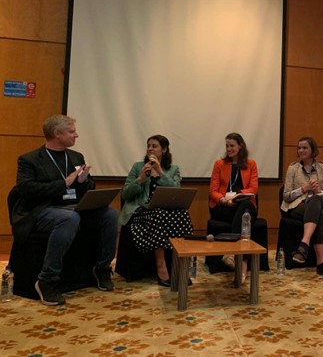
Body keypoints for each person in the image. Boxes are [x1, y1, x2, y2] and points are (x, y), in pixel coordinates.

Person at [12, 115, 118, 306]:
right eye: (71, 131)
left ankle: (102, 268)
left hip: (74, 207)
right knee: (69, 218)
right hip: (43, 209)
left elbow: (89, 187)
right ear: (57, 134)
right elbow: (26, 189)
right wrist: (65, 183)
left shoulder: (76, 157)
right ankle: (47, 280)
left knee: (110, 214)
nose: (76, 135)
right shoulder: (30, 160)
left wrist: (84, 181)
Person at [121, 134, 193, 286]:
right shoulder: (138, 167)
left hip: (165, 210)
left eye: (154, 146)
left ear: (164, 150)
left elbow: (176, 191)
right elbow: (125, 194)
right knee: (158, 214)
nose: (150, 149)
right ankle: (161, 264)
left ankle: (180, 265)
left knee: (183, 214)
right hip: (142, 210)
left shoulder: (173, 169)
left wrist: (161, 172)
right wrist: (140, 179)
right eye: (148, 146)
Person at [280, 137, 323, 278]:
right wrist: (303, 189)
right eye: (299, 148)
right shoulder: (293, 168)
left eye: (305, 148)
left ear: (312, 150)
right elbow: (286, 196)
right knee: (320, 214)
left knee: (316, 200)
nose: (301, 150)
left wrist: (318, 192)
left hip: (321, 203)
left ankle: (304, 244)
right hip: (298, 206)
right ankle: (322, 263)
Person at [209, 133, 258, 281]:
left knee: (244, 205)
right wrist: (223, 199)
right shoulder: (219, 164)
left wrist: (237, 196)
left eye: (232, 146)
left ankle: (234, 255)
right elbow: (213, 190)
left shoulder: (251, 164)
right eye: (227, 146)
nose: (229, 149)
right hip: (223, 207)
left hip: (243, 205)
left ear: (240, 146)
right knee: (243, 215)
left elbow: (253, 189)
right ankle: (242, 264)